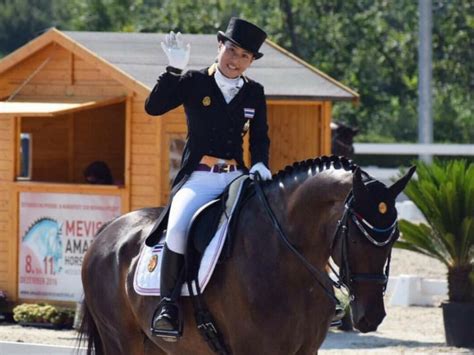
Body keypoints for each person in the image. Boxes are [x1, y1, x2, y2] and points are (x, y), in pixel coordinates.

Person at [144, 17, 272, 340]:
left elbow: (260, 137)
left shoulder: (254, 92)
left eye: (244, 56)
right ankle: (167, 307)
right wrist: (172, 72)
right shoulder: (194, 82)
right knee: (177, 227)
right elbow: (153, 107)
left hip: (237, 177)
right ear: (220, 46)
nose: (235, 60)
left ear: (251, 61)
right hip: (200, 178)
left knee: (273, 224)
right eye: (231, 50)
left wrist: (260, 164)